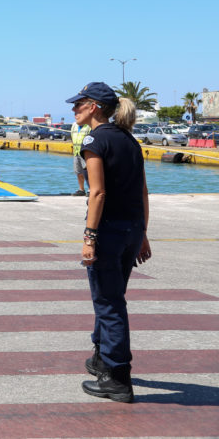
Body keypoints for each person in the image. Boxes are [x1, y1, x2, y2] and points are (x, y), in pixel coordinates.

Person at [64, 82, 152, 403]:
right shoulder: (130, 140)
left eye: (80, 104)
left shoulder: (95, 140)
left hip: (109, 232)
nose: (74, 109)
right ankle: (101, 359)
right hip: (131, 230)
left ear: (95, 108)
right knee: (111, 296)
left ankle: (118, 377)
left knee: (109, 303)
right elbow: (142, 191)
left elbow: (97, 193)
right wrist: (142, 233)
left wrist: (89, 237)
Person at [71, 120, 91, 196]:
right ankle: (81, 189)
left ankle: (90, 189)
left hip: (85, 152)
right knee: (78, 172)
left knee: (88, 172)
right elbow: (72, 136)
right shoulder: (74, 125)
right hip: (76, 152)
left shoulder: (88, 126)